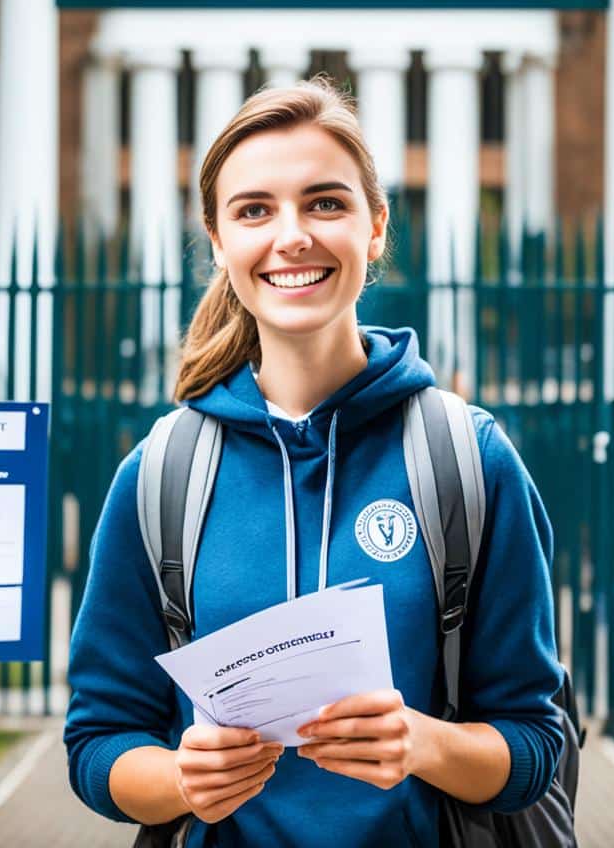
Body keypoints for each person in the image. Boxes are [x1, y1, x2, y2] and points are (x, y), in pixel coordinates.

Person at [64, 79, 563, 847]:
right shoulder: (159, 475)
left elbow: (535, 743)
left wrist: (423, 743)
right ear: (218, 237)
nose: (291, 236)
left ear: (374, 228)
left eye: (325, 203)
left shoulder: (470, 459)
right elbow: (98, 742)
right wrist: (179, 779)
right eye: (255, 210)